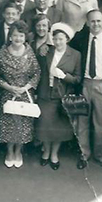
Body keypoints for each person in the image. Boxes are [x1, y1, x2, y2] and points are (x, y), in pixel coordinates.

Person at [70, 9, 102, 169]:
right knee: (81, 122)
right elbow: (67, 51)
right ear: (87, 23)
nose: (96, 24)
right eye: (92, 21)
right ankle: (84, 154)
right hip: (83, 84)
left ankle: (99, 154)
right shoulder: (80, 39)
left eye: (99, 21)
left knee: (101, 123)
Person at [0, 21, 40, 168]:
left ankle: (18, 151)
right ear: (10, 37)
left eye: (21, 35)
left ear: (25, 37)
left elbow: (37, 73)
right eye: (15, 35)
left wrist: (26, 86)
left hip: (25, 94)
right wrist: (8, 87)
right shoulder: (2, 53)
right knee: (8, 125)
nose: (18, 39)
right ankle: (9, 151)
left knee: (22, 125)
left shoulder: (29, 52)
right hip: (7, 94)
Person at [36, 23, 81, 170]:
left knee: (59, 128)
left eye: (61, 39)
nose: (58, 42)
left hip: (62, 96)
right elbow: (37, 69)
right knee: (45, 125)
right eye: (55, 39)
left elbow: (77, 78)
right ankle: (46, 152)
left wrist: (64, 76)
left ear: (67, 39)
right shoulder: (46, 51)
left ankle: (54, 154)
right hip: (45, 93)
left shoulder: (75, 54)